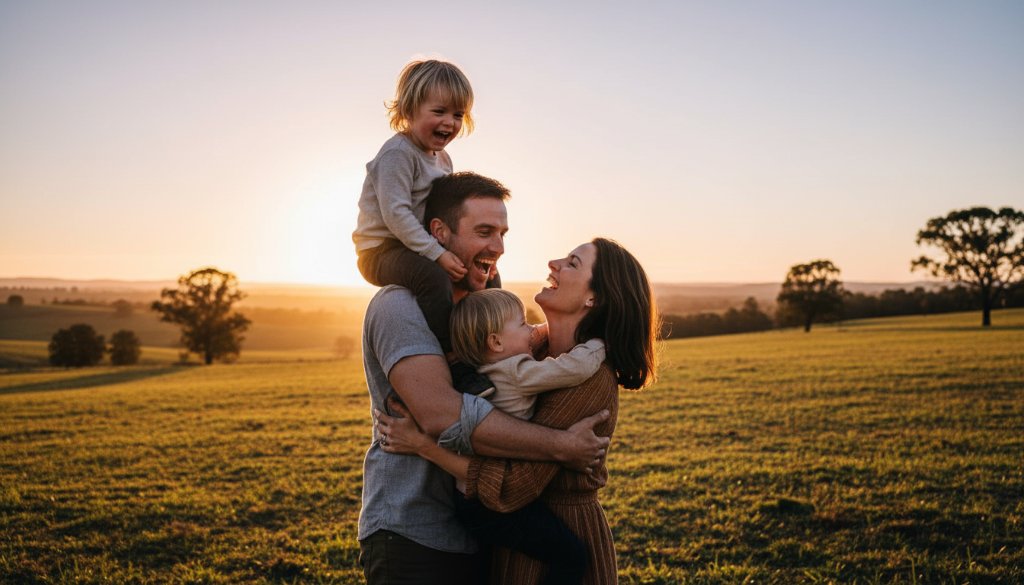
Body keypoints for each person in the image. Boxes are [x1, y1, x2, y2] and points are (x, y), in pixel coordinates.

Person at [357, 172, 612, 585]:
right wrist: (561, 446)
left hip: (485, 533)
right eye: (484, 231)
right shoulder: (398, 306)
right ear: (438, 232)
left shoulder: (486, 310)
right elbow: (443, 416)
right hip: (413, 533)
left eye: (502, 232)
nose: (498, 246)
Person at [378, 237, 659, 584]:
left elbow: (513, 486)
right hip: (519, 540)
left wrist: (423, 444)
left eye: (572, 263)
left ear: (593, 298)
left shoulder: (587, 380)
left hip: (559, 545)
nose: (553, 263)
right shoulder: (533, 358)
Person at [444, 288, 606, 584]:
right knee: (571, 556)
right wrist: (600, 343)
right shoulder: (515, 371)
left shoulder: (482, 370)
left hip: (470, 499)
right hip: (490, 504)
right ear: (495, 341)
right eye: (522, 325)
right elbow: (572, 369)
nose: (532, 330)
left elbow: (539, 336)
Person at [353, 58, 494, 354]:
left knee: (484, 270)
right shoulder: (398, 155)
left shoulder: (442, 159)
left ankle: (496, 340)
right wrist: (438, 254)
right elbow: (396, 214)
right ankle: (451, 355)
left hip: (422, 245)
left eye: (458, 114)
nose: (449, 122)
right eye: (439, 111)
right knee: (433, 278)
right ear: (409, 110)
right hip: (381, 250)